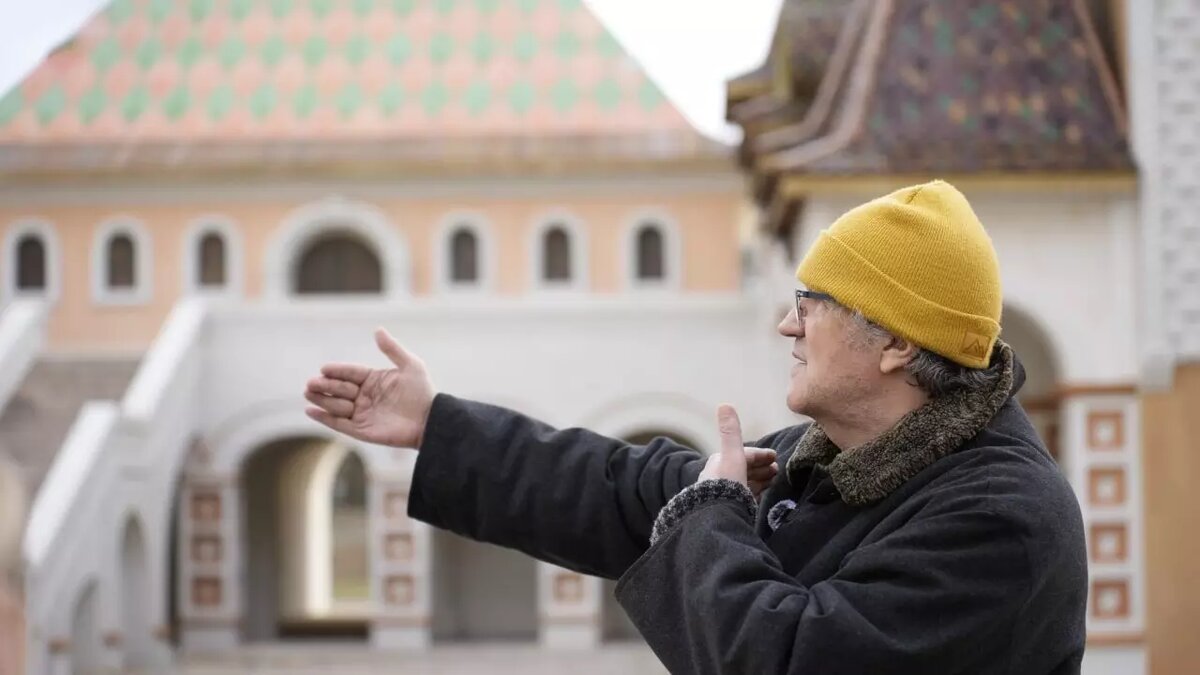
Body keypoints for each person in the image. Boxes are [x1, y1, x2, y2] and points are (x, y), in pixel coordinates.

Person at [304, 180, 1087, 674]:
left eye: (812, 304)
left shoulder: (1001, 521)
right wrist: (437, 425)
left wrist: (710, 517)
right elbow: (616, 487)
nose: (787, 323)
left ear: (897, 343)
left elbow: (789, 659)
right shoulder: (821, 459)